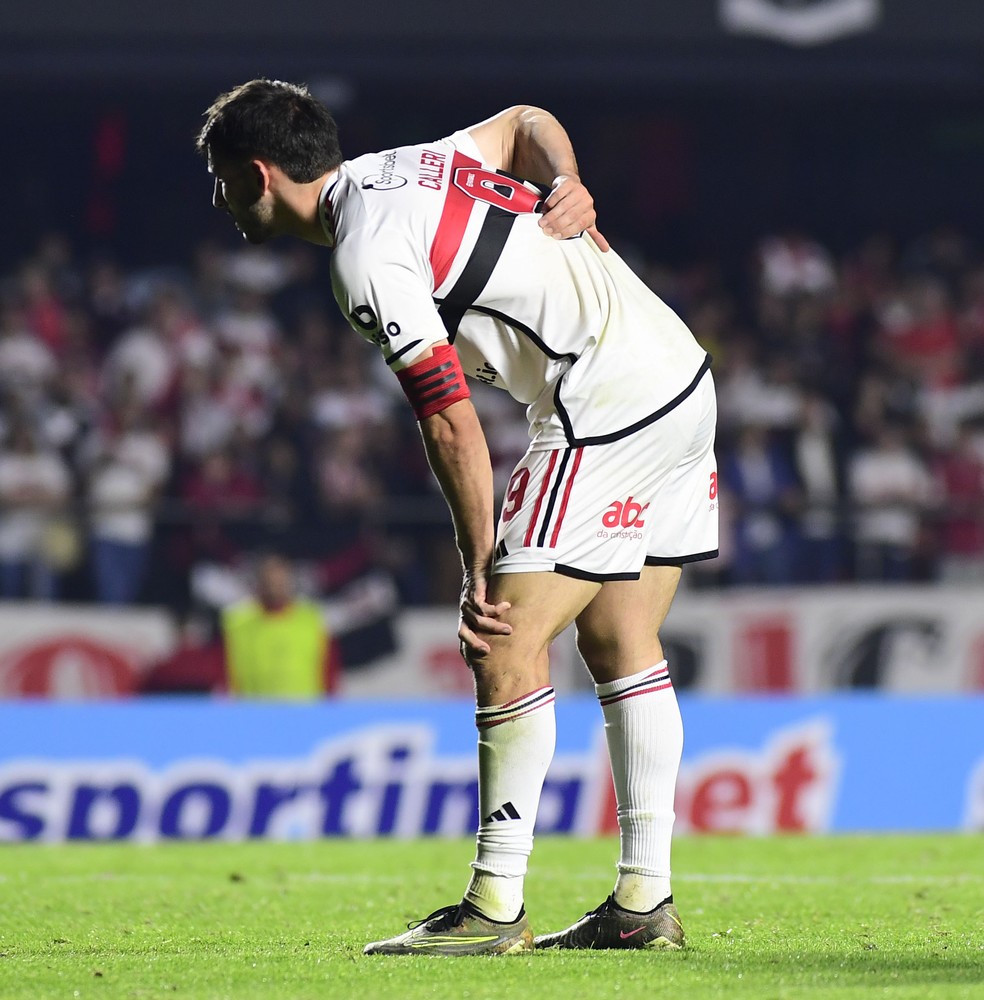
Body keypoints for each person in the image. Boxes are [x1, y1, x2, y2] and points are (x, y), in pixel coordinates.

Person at [197, 79, 717, 955]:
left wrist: (480, 562)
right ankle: (642, 901)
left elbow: (447, 417)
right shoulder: (405, 169)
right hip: (678, 374)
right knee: (622, 644)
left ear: (258, 175)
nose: (217, 200)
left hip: (603, 402)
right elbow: (524, 121)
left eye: (218, 179)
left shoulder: (362, 254)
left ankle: (493, 906)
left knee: (501, 638)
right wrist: (569, 178)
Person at [221, 551, 335, 697]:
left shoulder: (312, 620)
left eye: (280, 581)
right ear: (259, 583)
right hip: (255, 713)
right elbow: (225, 673)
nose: (274, 587)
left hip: (305, 714)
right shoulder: (237, 623)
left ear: (290, 581)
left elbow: (330, 672)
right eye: (269, 581)